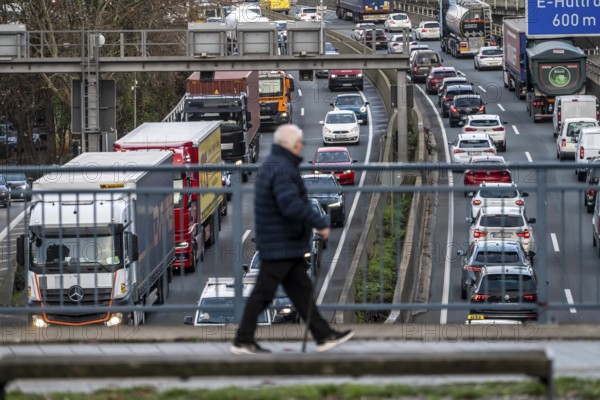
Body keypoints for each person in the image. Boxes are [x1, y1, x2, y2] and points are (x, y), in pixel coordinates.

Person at [230, 124, 354, 355]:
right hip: (281, 243)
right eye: (299, 143)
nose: (302, 147)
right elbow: (290, 204)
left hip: (283, 242)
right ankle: (243, 339)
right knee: (264, 293)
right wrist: (318, 222)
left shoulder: (276, 165)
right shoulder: (282, 169)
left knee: (300, 291)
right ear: (291, 145)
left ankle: (322, 334)